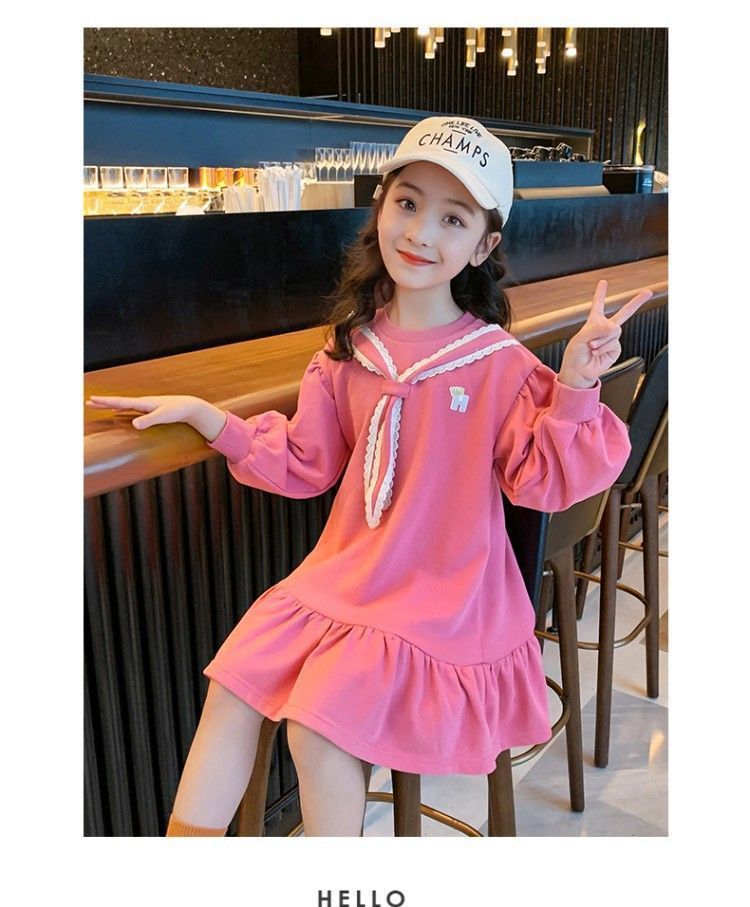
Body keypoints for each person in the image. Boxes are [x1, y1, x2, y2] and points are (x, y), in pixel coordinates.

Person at [86, 116, 652, 837]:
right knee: (232, 683)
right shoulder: (346, 353)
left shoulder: (498, 365)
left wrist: (575, 384)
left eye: (453, 219)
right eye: (407, 203)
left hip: (447, 598)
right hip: (346, 578)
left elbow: (540, 482)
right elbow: (307, 461)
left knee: (316, 728)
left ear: (483, 246)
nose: (420, 232)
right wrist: (210, 418)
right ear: (380, 208)